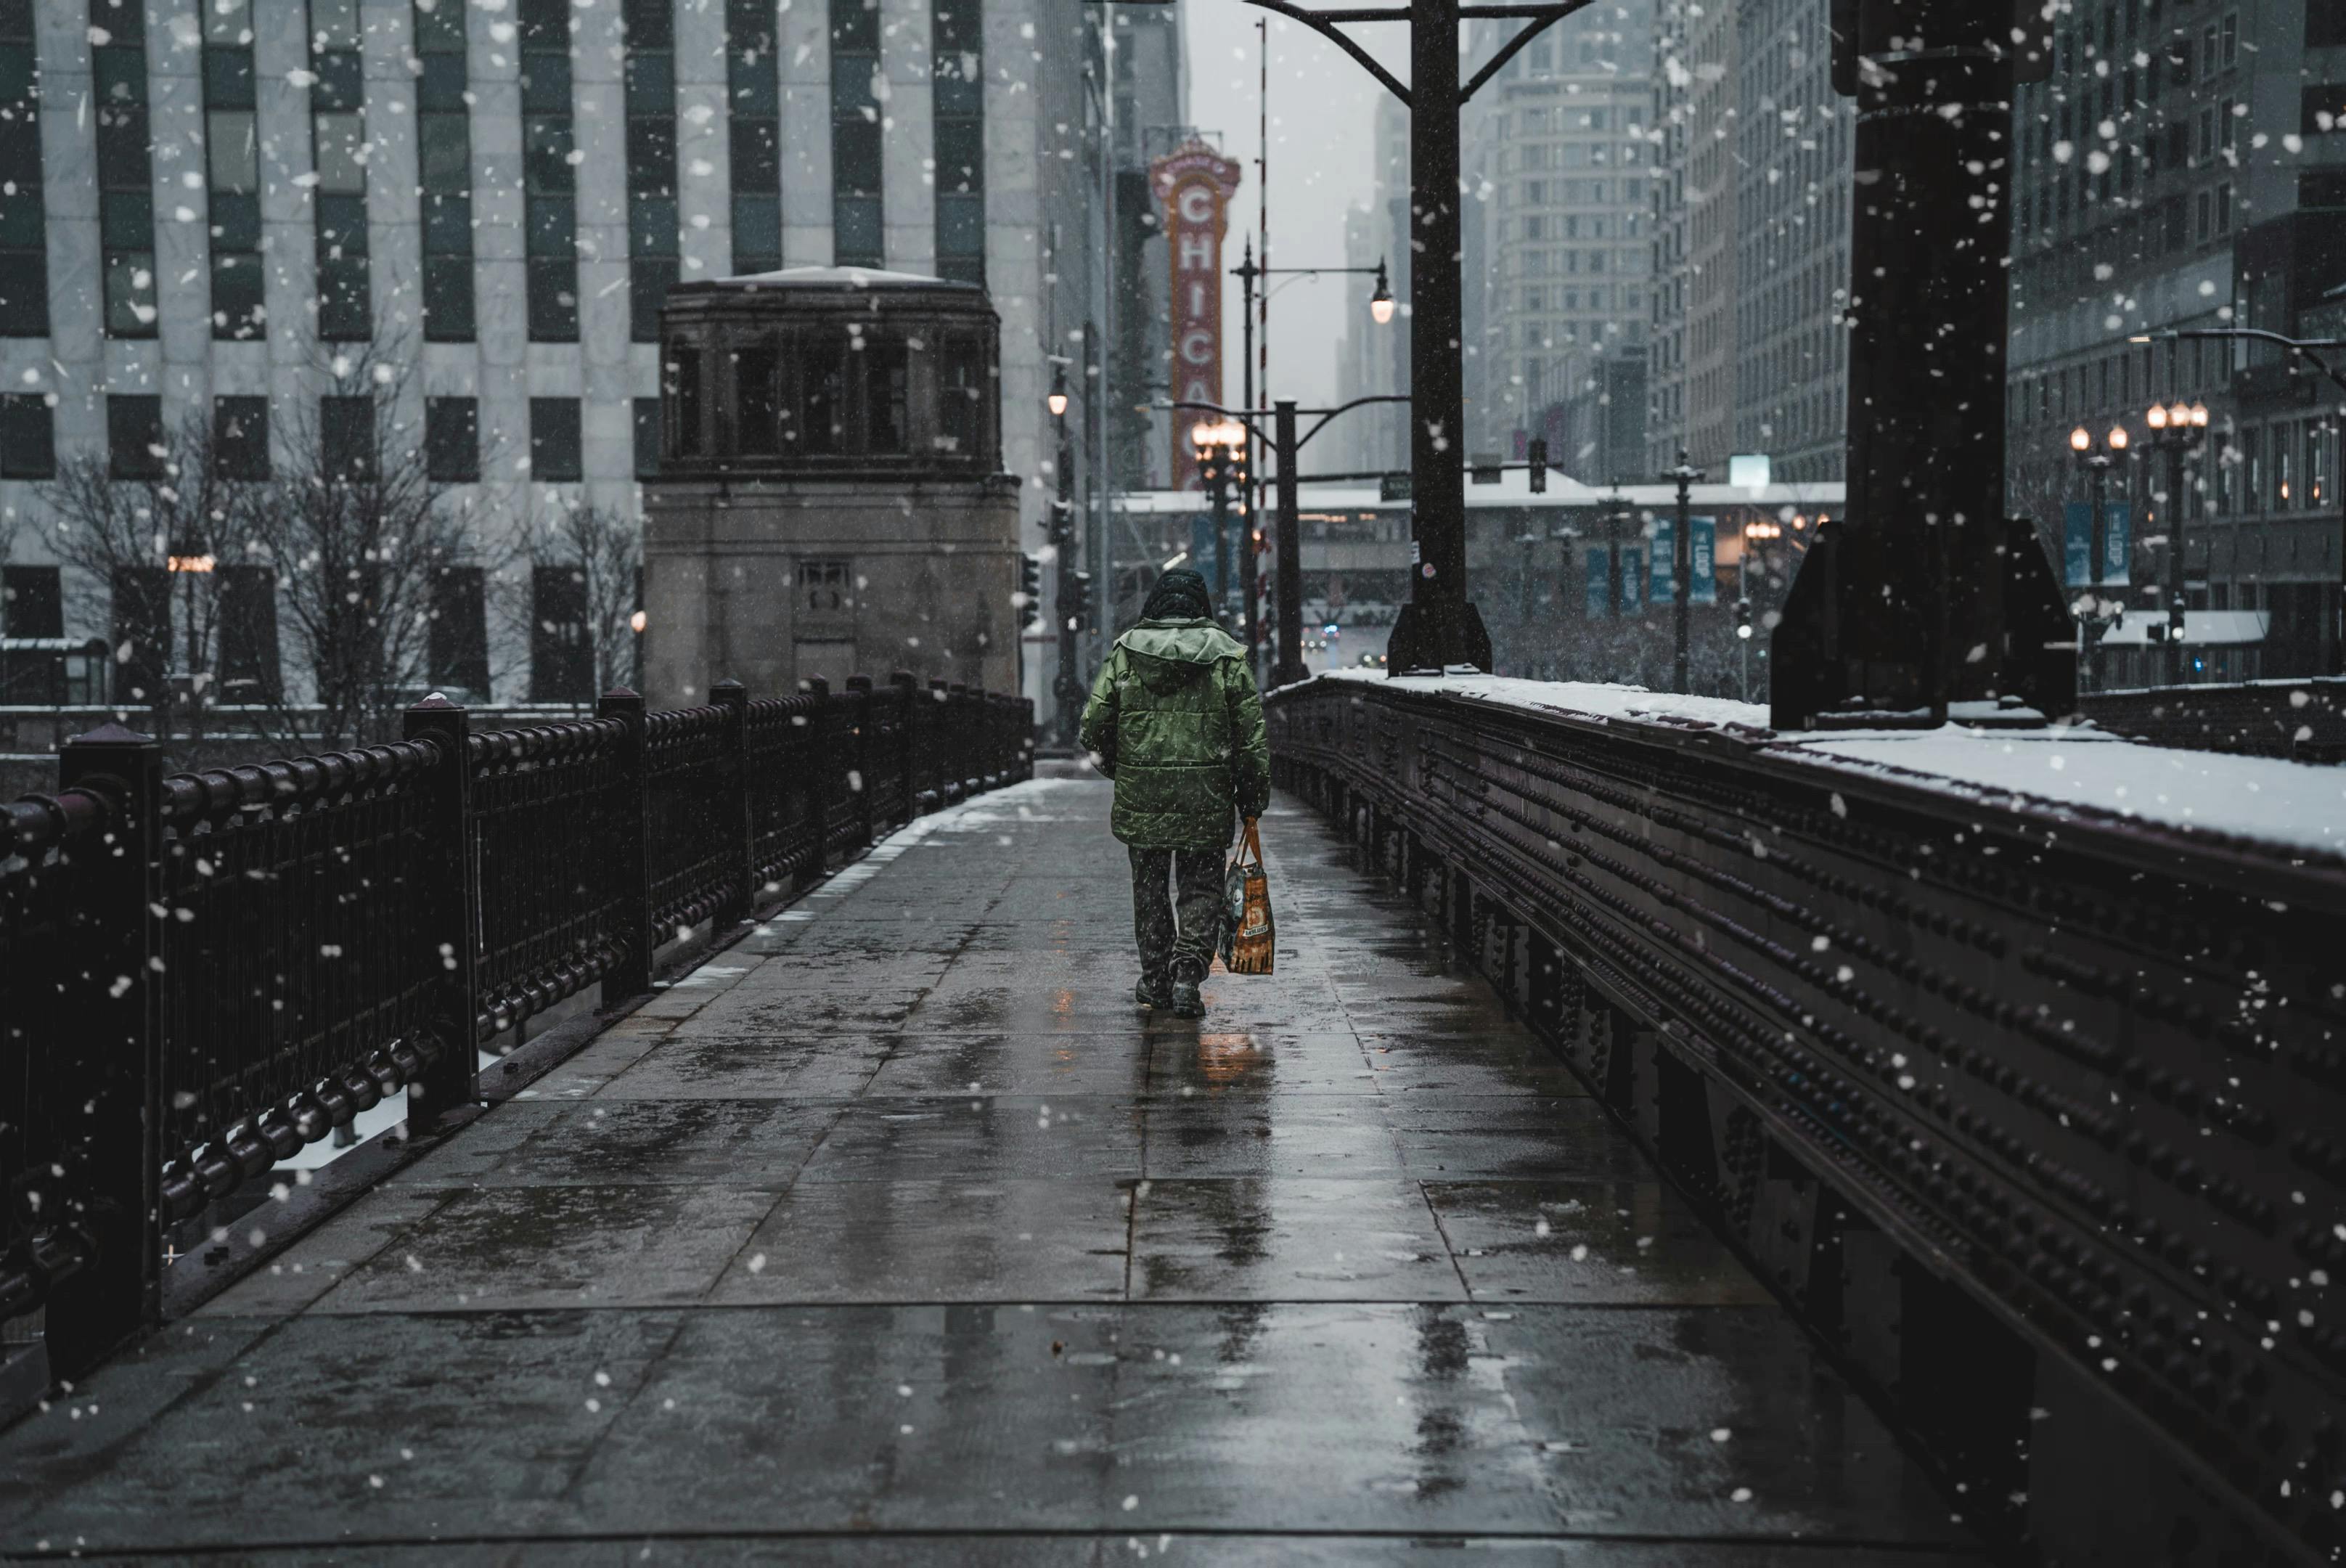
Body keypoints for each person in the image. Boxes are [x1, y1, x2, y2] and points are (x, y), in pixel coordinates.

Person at [1078, 566, 1270, 1018]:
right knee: (1201, 885)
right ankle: (1188, 972)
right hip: (1206, 794)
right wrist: (1252, 797)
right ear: (1202, 606)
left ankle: (1157, 977)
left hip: (1142, 794)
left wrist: (1125, 769)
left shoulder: (1126, 652)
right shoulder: (1226, 656)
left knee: (1149, 889)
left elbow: (1093, 726)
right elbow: (1250, 736)